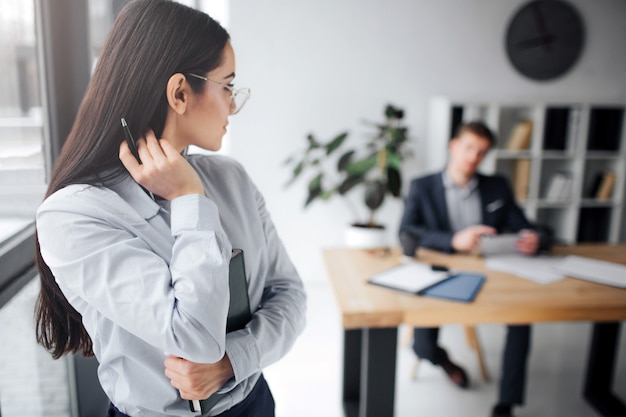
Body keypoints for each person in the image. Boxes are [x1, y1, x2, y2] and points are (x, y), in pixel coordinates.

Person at [34, 1, 306, 416]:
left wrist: (234, 360)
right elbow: (194, 337)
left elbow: (290, 295)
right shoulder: (74, 215)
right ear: (180, 92)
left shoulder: (231, 179)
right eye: (228, 85)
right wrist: (188, 201)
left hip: (254, 402)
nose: (232, 105)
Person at [398, 121, 542, 417]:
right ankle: (446, 362)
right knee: (422, 346)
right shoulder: (422, 186)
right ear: (453, 146)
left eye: (481, 152)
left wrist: (535, 238)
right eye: (469, 148)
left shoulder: (497, 186)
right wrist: (453, 240)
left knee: (523, 319)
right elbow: (406, 232)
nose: (473, 157)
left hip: (492, 275)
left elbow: (524, 226)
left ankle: (507, 404)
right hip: (440, 276)